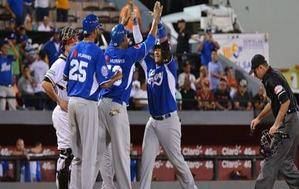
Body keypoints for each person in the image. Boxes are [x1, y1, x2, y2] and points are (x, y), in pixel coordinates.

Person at [98, 2, 162, 189]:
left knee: (103, 152)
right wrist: (156, 19)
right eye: (126, 37)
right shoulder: (128, 54)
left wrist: (128, 21)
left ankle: (106, 187)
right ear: (123, 41)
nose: (128, 39)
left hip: (101, 105)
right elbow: (149, 41)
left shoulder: (109, 51)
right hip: (117, 108)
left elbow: (116, 38)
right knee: (121, 152)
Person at [132, 13, 198, 189]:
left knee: (177, 162)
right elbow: (140, 45)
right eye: (155, 51)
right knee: (146, 162)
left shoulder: (170, 67)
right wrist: (135, 24)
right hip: (153, 121)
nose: (156, 53)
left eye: (159, 51)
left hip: (169, 121)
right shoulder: (150, 67)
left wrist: (158, 22)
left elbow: (164, 42)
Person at [63, 14, 122, 189]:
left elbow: (66, 76)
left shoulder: (74, 48)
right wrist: (116, 77)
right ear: (95, 30)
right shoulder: (96, 51)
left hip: (72, 102)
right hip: (86, 104)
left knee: (77, 155)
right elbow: (104, 83)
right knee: (89, 155)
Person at [250, 54, 299, 189]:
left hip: (288, 120)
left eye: (254, 71)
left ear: (261, 67)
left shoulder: (271, 78)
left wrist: (276, 124)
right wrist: (259, 118)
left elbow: (285, 101)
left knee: (271, 160)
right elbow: (273, 102)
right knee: (285, 163)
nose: (254, 75)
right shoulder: (272, 74)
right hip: (293, 119)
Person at [42, 26, 78, 189]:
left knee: (76, 154)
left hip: (73, 112)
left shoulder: (74, 62)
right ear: (65, 45)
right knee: (66, 154)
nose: (74, 45)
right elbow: (45, 84)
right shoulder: (60, 62)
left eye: (75, 42)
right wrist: (58, 100)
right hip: (62, 112)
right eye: (71, 43)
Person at [0, 39, 16, 110]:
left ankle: (14, 121)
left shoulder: (9, 57)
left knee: (13, 108)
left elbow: (17, 56)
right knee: (1, 107)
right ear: (1, 49)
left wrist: (12, 46)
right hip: (1, 86)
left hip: (10, 86)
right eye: (5, 48)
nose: (6, 49)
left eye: (7, 48)